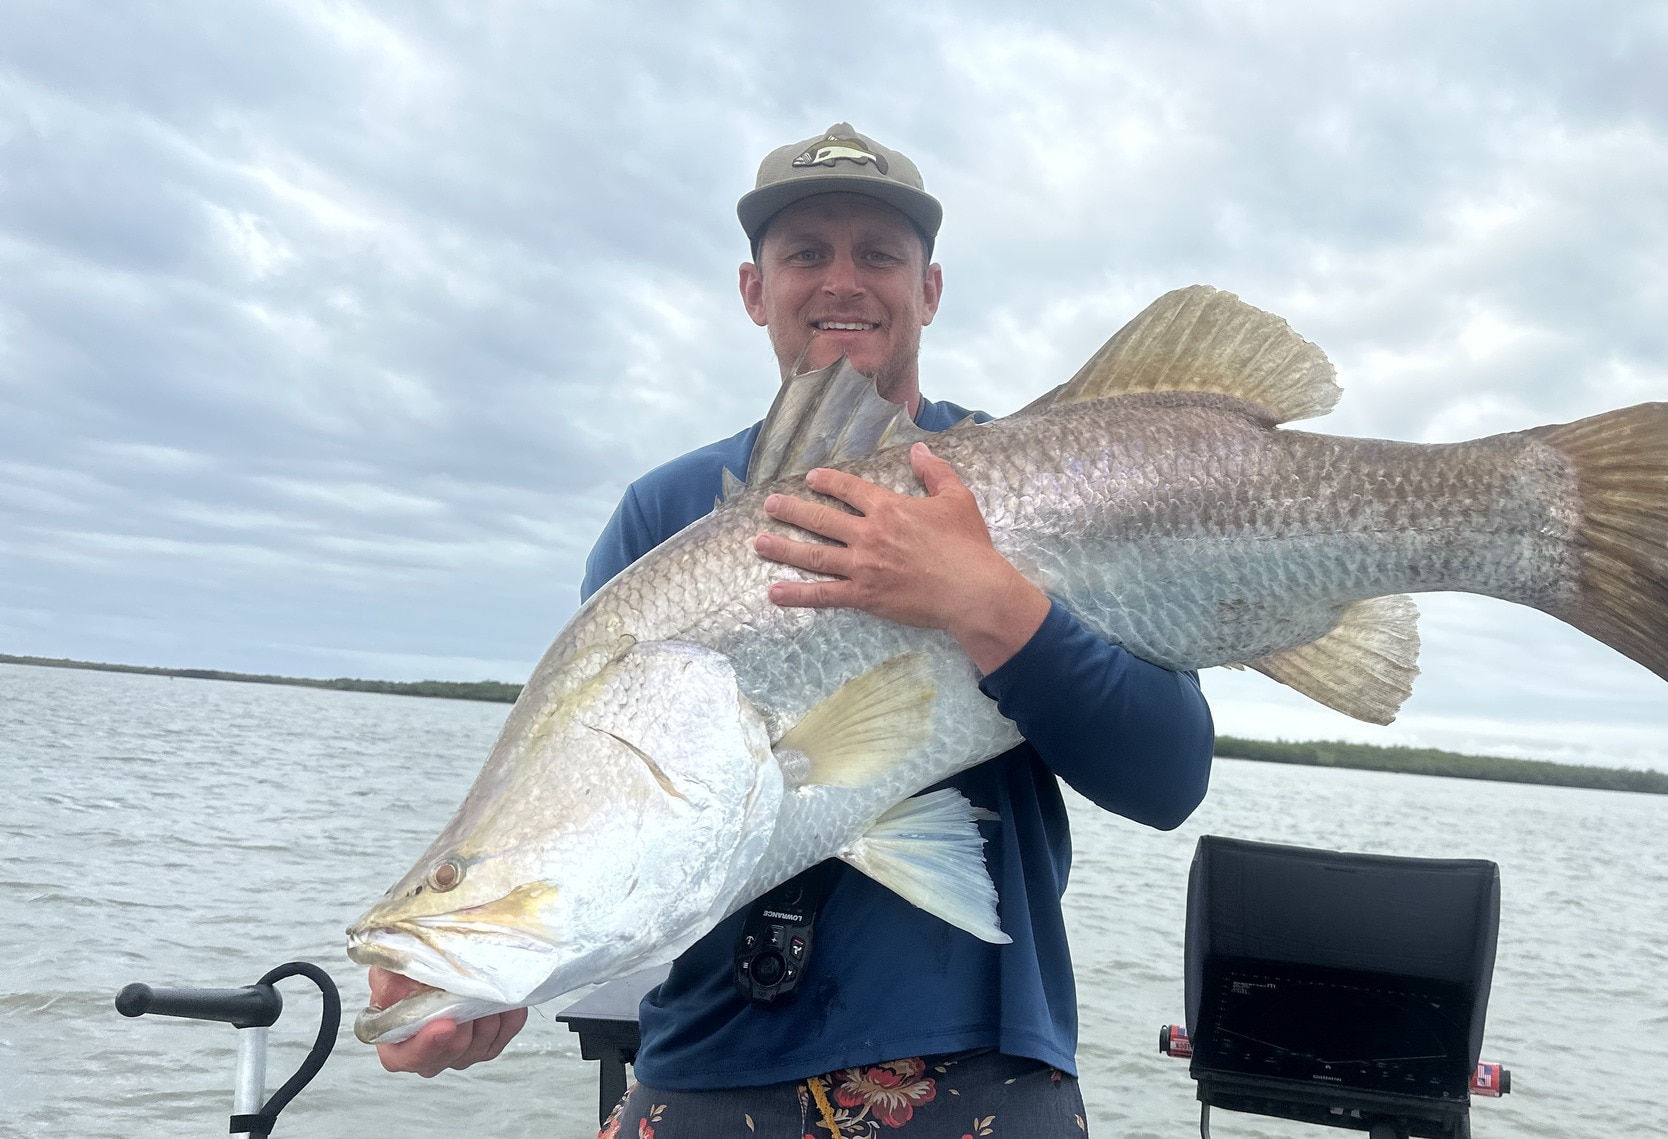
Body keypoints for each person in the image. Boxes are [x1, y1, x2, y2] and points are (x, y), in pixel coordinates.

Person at [370, 124, 1214, 1136]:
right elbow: (594, 790)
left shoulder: (1051, 479)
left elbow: (1169, 775)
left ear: (930, 289)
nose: (841, 280)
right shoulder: (663, 516)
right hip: (708, 1065)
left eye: (878, 253)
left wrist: (986, 597)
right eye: (806, 251)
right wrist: (493, 975)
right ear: (753, 289)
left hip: (990, 1058)